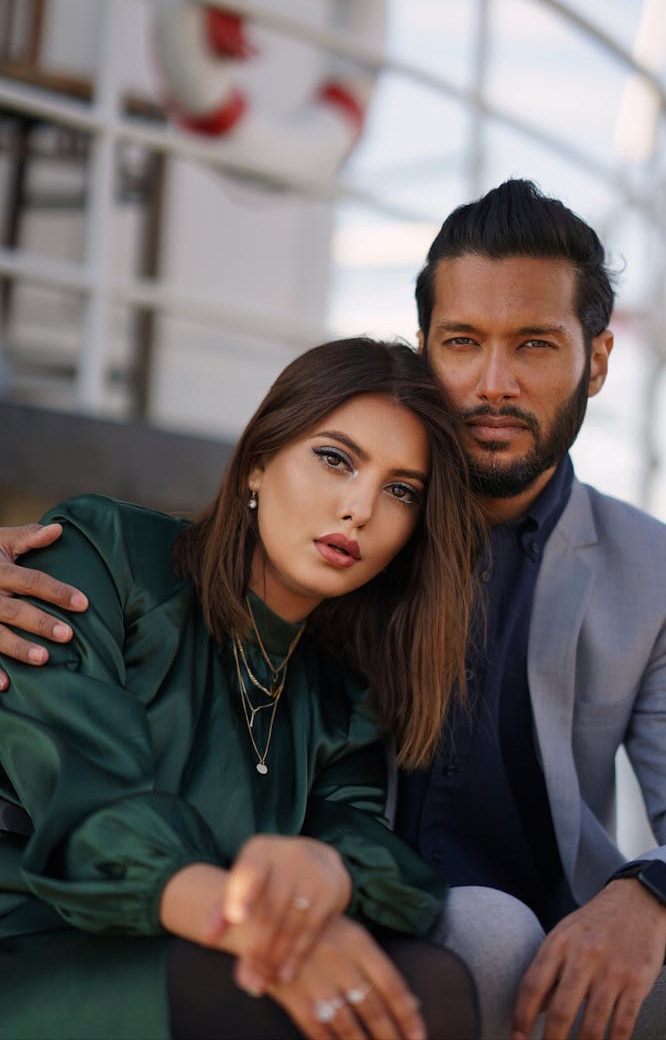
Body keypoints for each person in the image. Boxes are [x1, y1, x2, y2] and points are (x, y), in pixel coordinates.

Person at [2, 179, 666, 1040]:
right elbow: (89, 756)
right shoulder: (220, 557)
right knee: (471, 940)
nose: (495, 383)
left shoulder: (656, 573)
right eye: (464, 342)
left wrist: (650, 893)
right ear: (426, 346)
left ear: (599, 359)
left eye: (536, 345)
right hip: (135, 926)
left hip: (509, 924)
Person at [0, 337, 482, 1040]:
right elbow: (85, 801)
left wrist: (329, 872)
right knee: (275, 997)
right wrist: (252, 921)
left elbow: (380, 861)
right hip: (36, 945)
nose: (359, 508)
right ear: (259, 459)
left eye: (401, 490)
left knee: (430, 982)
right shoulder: (104, 552)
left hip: (205, 954)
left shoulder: (341, 698)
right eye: (336, 458)